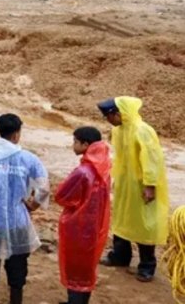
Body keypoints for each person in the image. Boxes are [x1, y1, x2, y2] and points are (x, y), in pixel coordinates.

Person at [0, 113, 50, 304]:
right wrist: (33, 205)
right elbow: (44, 188)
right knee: (17, 266)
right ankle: (16, 300)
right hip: (18, 222)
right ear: (16, 134)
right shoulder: (28, 159)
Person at [97, 97, 169, 282]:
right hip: (125, 184)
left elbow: (151, 159)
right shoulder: (118, 130)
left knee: (144, 224)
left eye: (109, 116)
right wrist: (116, 177)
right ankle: (120, 257)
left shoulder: (143, 131)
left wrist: (150, 185)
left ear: (119, 113)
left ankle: (146, 266)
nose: (108, 121)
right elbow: (120, 158)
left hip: (141, 185)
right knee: (122, 219)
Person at [55, 126, 111, 304]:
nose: (73, 145)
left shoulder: (83, 172)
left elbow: (62, 196)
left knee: (75, 269)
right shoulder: (103, 167)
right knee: (87, 269)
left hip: (77, 227)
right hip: (96, 226)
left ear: (85, 144)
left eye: (75, 142)